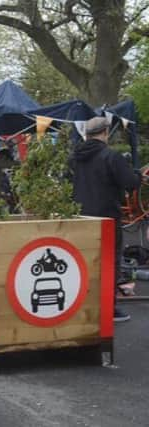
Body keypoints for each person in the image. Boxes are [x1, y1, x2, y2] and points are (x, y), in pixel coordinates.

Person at [69, 116, 141, 323]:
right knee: (109, 263)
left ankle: (84, 304)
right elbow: (129, 183)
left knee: (85, 262)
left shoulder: (74, 157)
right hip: (106, 218)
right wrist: (137, 176)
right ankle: (107, 309)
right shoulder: (110, 156)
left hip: (80, 216)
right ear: (105, 133)